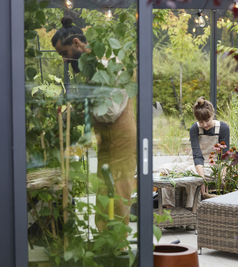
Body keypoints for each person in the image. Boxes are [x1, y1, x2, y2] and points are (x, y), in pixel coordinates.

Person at [52, 17, 137, 230]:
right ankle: (104, 240)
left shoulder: (107, 64)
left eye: (64, 53)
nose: (64, 60)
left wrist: (82, 106)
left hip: (121, 136)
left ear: (77, 44)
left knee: (118, 191)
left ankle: (117, 245)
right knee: (102, 187)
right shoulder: (91, 67)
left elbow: (109, 111)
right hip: (107, 138)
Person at [162, 97, 230, 208]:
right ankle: (168, 208)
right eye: (200, 121)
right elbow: (197, 156)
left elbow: (225, 156)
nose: (204, 125)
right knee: (165, 169)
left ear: (212, 114)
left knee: (192, 171)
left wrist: (223, 177)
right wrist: (201, 179)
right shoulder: (194, 128)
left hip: (213, 165)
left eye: (206, 121)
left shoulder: (223, 128)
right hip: (195, 162)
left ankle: (192, 209)